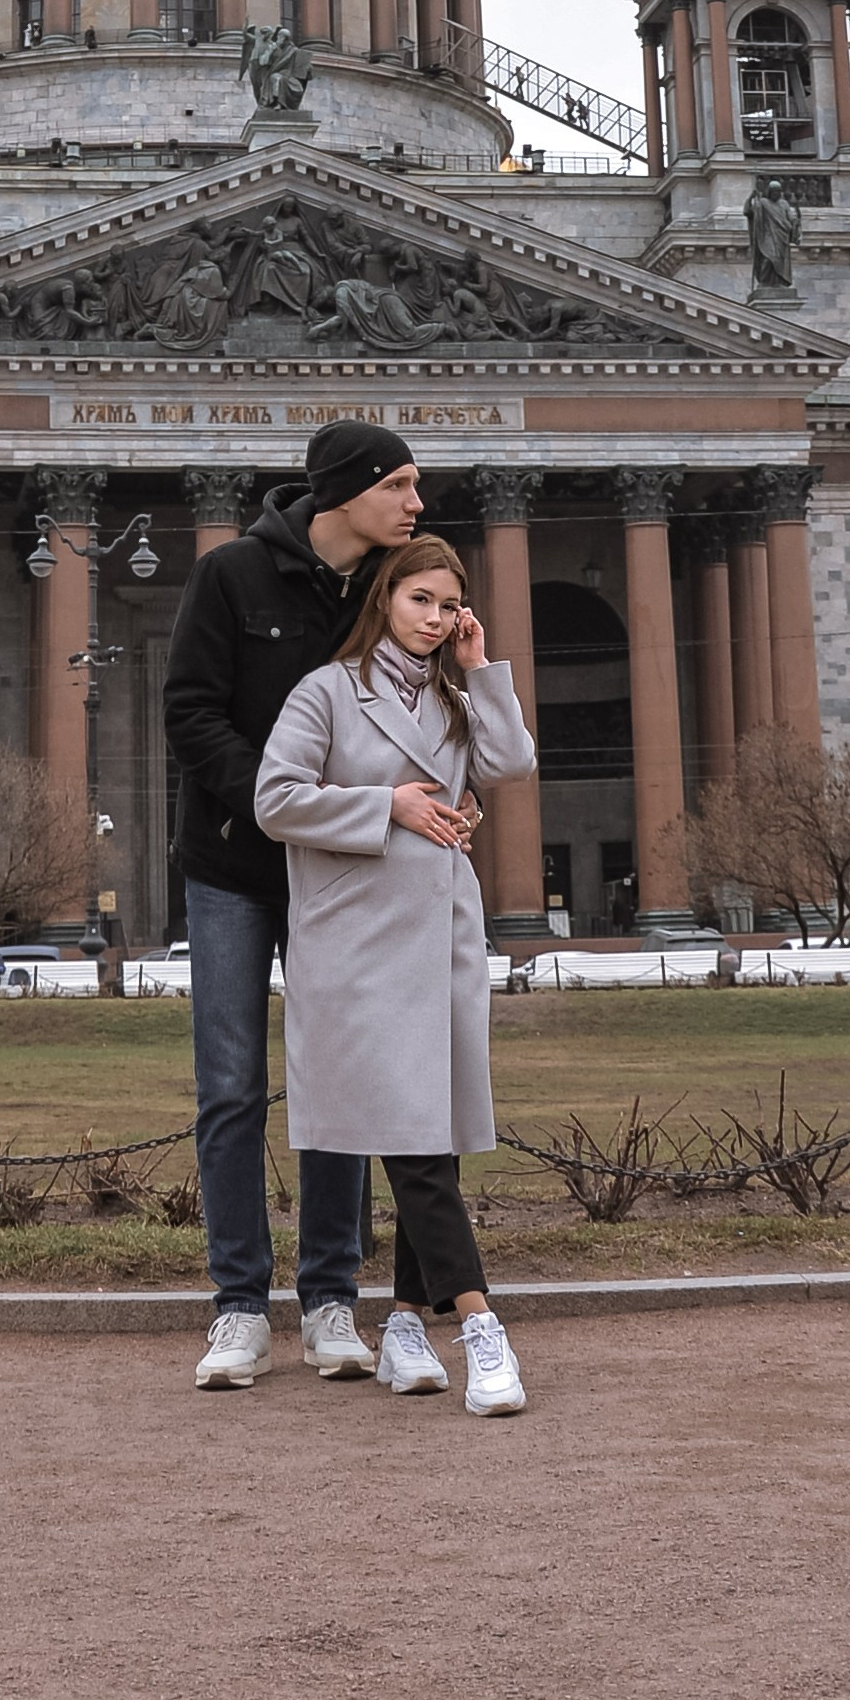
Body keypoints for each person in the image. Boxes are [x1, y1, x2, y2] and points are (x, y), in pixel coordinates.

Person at [164, 419, 423, 1388]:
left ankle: (327, 1303)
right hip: (234, 868)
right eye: (399, 485)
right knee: (230, 1084)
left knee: (338, 1082)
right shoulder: (230, 576)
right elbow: (189, 709)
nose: (414, 503)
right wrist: (278, 804)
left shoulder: (391, 592)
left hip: (340, 874)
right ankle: (238, 1308)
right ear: (346, 492)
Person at [254, 535, 537, 1416]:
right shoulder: (326, 692)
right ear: (383, 598)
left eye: (449, 604)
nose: (435, 617)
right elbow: (275, 801)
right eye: (420, 599)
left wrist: (481, 666)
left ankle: (408, 1323)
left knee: (434, 1134)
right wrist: (389, 803)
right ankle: (482, 1327)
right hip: (357, 948)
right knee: (415, 1149)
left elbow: (510, 765)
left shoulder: (454, 700)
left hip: (441, 934)